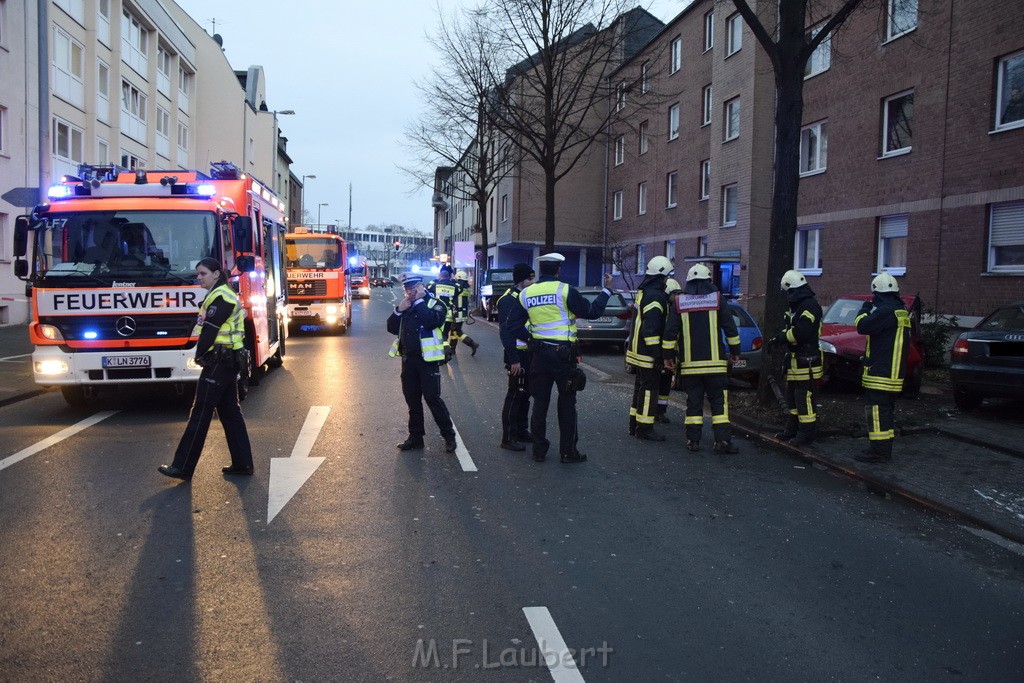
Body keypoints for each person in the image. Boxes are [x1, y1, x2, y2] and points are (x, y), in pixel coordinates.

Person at [503, 253, 614, 463]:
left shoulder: (527, 293)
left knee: (540, 403)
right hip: (564, 357)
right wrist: (607, 290)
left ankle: (538, 451)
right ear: (558, 270)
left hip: (539, 356)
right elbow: (591, 312)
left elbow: (512, 326)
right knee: (567, 404)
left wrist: (532, 340)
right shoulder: (565, 290)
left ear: (541, 271)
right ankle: (567, 452)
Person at [158, 258, 253, 480]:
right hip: (228, 360)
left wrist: (200, 356)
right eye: (197, 274)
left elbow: (209, 331)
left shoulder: (220, 298)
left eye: (202, 273)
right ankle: (242, 463)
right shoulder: (222, 295)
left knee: (201, 411)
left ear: (216, 274)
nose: (198, 277)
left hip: (219, 361)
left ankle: (182, 466)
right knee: (230, 412)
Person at [663, 263, 742, 454]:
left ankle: (693, 441)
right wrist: (735, 351)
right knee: (718, 403)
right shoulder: (718, 299)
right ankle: (722, 442)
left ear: (689, 282)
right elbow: (730, 328)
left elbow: (670, 332)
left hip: (691, 367)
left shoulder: (679, 302)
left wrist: (668, 356)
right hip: (716, 366)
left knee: (694, 402)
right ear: (709, 280)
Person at [387, 273, 458, 453]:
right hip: (409, 359)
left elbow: (431, 322)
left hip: (427, 361)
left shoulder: (436, 305)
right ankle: (415, 437)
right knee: (412, 400)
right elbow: (391, 328)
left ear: (421, 286)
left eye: (413, 288)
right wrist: (398, 310)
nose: (409, 292)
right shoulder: (406, 305)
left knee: (432, 398)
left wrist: (418, 302)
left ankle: (449, 436)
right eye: (407, 289)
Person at [853, 273, 911, 464]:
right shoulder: (901, 311)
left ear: (878, 293)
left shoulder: (884, 311)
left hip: (880, 372)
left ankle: (878, 451)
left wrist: (864, 309)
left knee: (877, 412)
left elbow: (861, 326)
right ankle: (884, 447)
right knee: (886, 412)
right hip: (894, 373)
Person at [771, 270, 824, 447]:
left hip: (807, 362)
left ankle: (806, 434)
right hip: (796, 362)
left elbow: (802, 332)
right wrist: (780, 338)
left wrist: (781, 338)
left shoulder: (809, 306)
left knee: (804, 400)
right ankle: (791, 430)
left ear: (791, 289)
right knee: (793, 399)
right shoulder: (799, 305)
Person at [627, 256, 674, 441]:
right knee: (649, 390)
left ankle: (634, 425)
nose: (667, 280)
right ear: (661, 276)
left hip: (637, 351)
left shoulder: (645, 292)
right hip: (648, 353)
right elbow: (652, 330)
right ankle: (644, 428)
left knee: (640, 388)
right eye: (667, 276)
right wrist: (658, 355)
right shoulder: (655, 297)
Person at [496, 263, 536, 451]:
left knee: (525, 394)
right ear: (521, 280)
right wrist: (514, 360)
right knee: (515, 395)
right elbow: (506, 332)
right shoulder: (507, 300)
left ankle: (521, 430)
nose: (532, 282)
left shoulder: (525, 297)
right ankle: (508, 437)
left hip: (528, 353)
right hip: (517, 355)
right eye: (529, 279)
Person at [655, 278, 683, 424]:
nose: (677, 297)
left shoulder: (676, 309)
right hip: (660, 353)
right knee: (657, 383)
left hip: (671, 354)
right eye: (675, 293)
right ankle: (653, 411)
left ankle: (661, 411)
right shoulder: (663, 309)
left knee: (666, 384)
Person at [450, 269, 480, 355]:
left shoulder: (458, 288)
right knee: (453, 331)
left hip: (457, 313)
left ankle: (472, 343)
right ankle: (452, 349)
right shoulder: (466, 289)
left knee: (457, 332)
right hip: (462, 313)